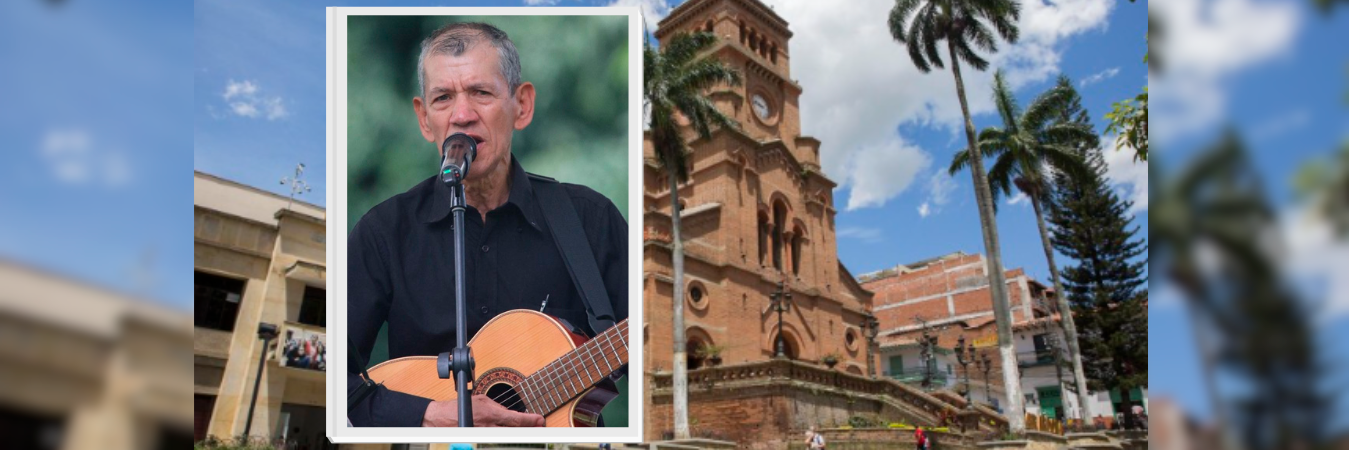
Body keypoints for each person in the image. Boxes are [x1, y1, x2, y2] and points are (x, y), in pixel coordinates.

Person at [346, 22, 629, 427]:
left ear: (522, 105)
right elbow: (328, 373)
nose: (462, 115)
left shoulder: (591, 219)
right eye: (443, 98)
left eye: (481, 93)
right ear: (425, 119)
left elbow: (658, 358)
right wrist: (429, 414)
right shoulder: (382, 232)